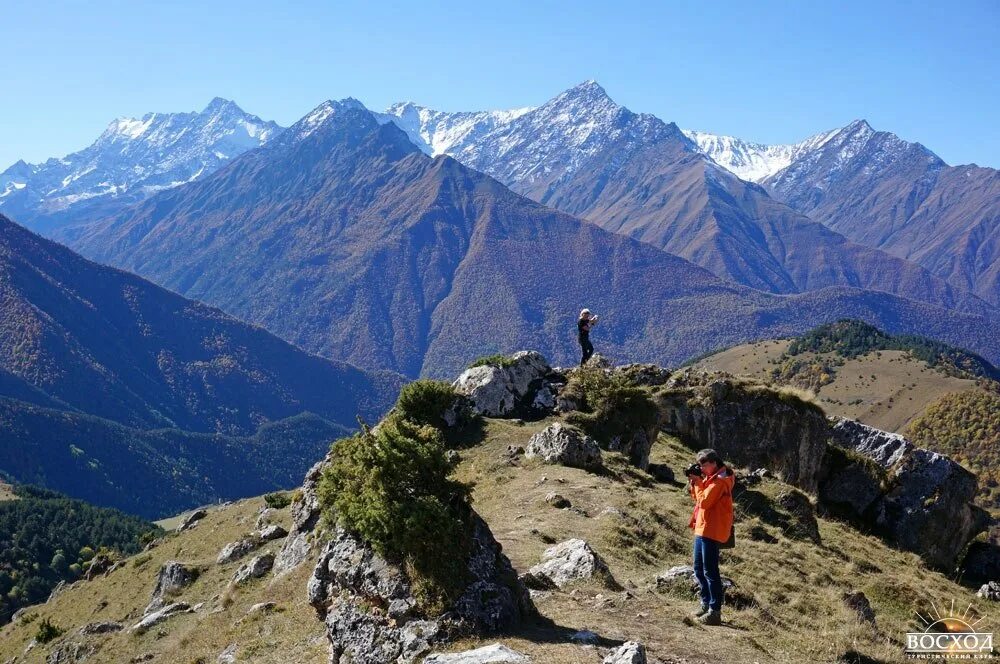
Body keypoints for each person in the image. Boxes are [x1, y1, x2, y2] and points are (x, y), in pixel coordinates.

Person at [685, 448, 734, 626]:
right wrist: (696, 482)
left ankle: (715, 611)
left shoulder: (720, 481)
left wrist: (698, 482)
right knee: (698, 569)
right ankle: (705, 604)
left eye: (703, 465)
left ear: (713, 463)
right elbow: (698, 499)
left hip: (711, 530)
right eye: (699, 466)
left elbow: (704, 502)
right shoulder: (711, 479)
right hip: (702, 527)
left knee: (710, 571)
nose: (702, 469)